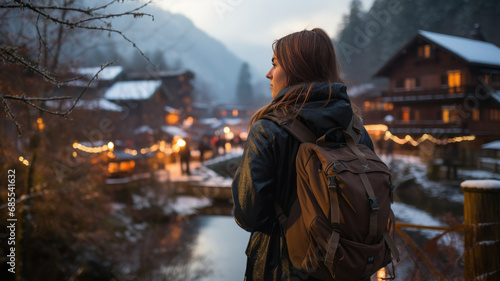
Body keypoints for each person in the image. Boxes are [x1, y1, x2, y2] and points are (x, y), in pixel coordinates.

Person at [231, 28, 375, 280]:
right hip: (347, 267)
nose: (268, 73)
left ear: (296, 70)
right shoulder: (355, 127)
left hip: (285, 270)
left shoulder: (268, 129)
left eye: (275, 64)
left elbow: (248, 215)